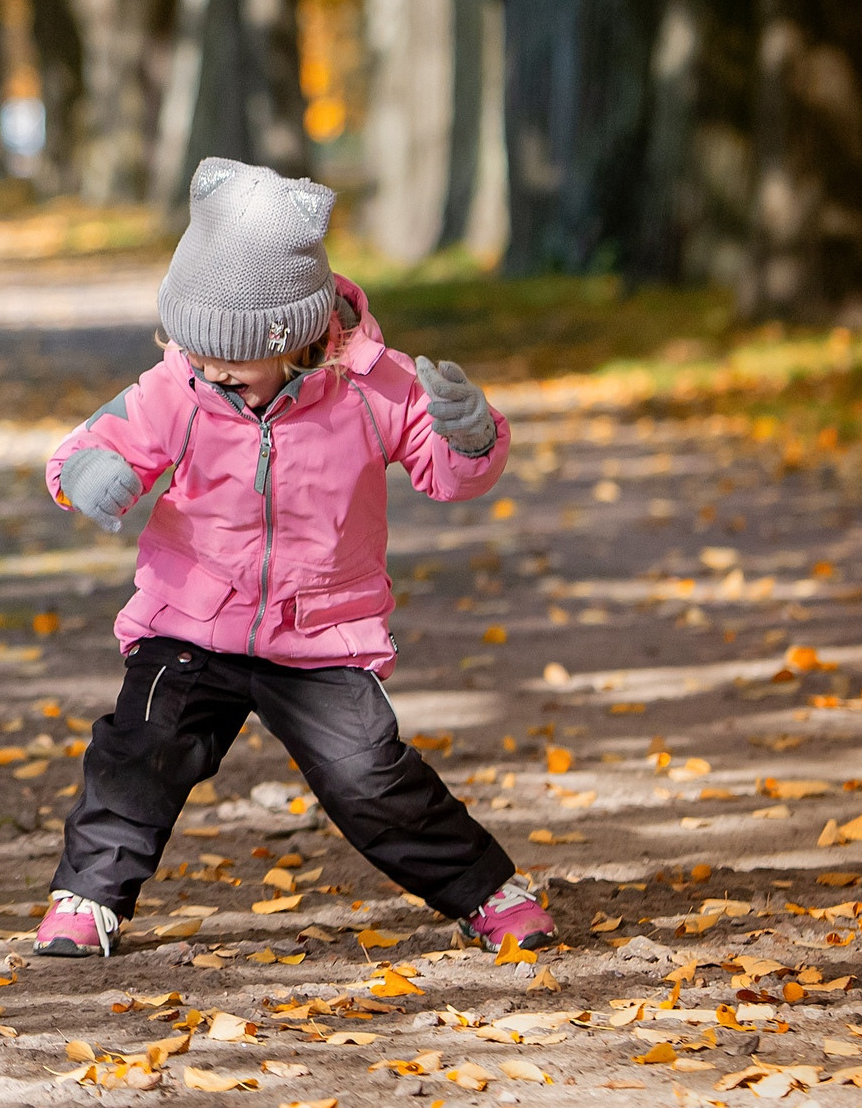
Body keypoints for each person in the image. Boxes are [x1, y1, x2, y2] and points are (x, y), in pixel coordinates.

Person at [33, 158, 549, 959]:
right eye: (193, 350)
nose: (207, 369)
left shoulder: (378, 387)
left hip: (321, 637)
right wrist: (86, 473)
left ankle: (487, 890)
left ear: (293, 335)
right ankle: (88, 894)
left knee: (370, 778)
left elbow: (449, 474)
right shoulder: (181, 386)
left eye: (226, 355)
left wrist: (472, 434)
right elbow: (100, 442)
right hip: (191, 622)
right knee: (139, 747)